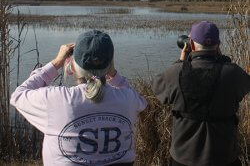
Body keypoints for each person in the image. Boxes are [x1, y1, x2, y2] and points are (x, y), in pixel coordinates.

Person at [10, 30, 147, 166]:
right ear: (110, 64)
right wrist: (113, 74)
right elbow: (141, 103)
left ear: (73, 67)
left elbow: (18, 96)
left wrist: (56, 63)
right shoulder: (128, 99)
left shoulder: (57, 100)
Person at [151, 21, 250, 166]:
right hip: (224, 157)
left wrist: (181, 61)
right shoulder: (233, 73)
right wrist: (222, 59)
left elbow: (156, 87)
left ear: (190, 44)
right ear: (218, 45)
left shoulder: (175, 73)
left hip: (184, 157)